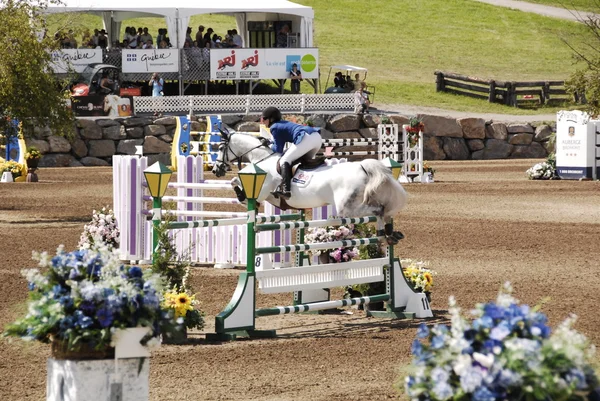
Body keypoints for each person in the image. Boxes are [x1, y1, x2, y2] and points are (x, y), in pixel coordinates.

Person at [261, 106, 322, 199]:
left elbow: (278, 150)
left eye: (264, 119)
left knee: (284, 160)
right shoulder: (280, 124)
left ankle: (286, 190)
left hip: (306, 138)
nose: (263, 121)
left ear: (271, 119)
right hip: (316, 137)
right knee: (302, 162)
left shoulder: (274, 127)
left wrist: (267, 146)